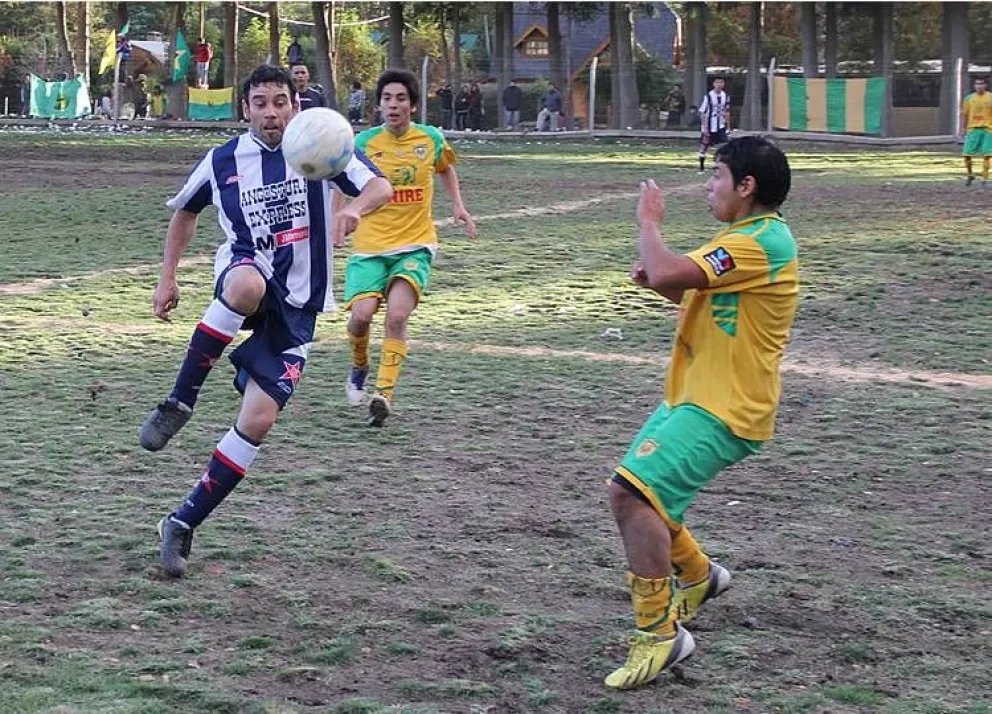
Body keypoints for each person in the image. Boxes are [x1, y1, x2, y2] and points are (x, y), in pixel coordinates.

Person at [139, 64, 392, 578]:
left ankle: (182, 522)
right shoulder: (223, 160)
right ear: (246, 109)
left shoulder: (319, 145)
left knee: (258, 421)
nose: (272, 112)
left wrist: (356, 210)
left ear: (294, 106)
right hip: (247, 271)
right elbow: (184, 212)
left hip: (300, 308)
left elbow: (379, 187)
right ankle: (180, 399)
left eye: (281, 101)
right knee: (246, 284)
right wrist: (167, 278)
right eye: (261, 103)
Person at [604, 136, 797, 690]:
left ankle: (659, 636)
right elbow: (700, 296)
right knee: (644, 493)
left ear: (747, 186)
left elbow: (667, 270)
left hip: (726, 405)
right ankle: (698, 574)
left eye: (717, 175)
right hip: (695, 394)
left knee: (631, 492)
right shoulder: (745, 237)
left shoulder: (762, 240)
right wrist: (664, 286)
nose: (708, 185)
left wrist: (649, 223)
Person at [336, 69, 477, 427]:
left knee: (397, 316)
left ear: (413, 105)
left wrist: (458, 206)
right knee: (362, 316)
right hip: (370, 245)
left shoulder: (430, 139)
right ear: (379, 105)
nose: (393, 105)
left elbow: (445, 169)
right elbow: (342, 179)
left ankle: (383, 394)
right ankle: (359, 365)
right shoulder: (363, 143)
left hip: (415, 244)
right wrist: (338, 217)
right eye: (386, 99)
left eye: (400, 98)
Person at [960, 76, 991, 188]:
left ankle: (985, 178)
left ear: (985, 85)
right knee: (967, 154)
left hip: (988, 129)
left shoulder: (990, 98)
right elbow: (965, 114)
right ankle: (970, 174)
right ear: (974, 86)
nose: (979, 86)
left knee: (987, 155)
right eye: (977, 84)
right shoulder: (969, 98)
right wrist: (963, 129)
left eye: (981, 83)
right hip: (973, 129)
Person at [698, 77, 731, 173]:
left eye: (721, 82)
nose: (719, 84)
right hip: (709, 125)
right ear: (714, 84)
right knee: (704, 146)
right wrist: (704, 127)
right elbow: (703, 113)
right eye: (717, 82)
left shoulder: (726, 96)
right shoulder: (708, 97)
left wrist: (728, 127)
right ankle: (701, 167)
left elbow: (727, 112)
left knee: (724, 145)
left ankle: (720, 166)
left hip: (720, 125)